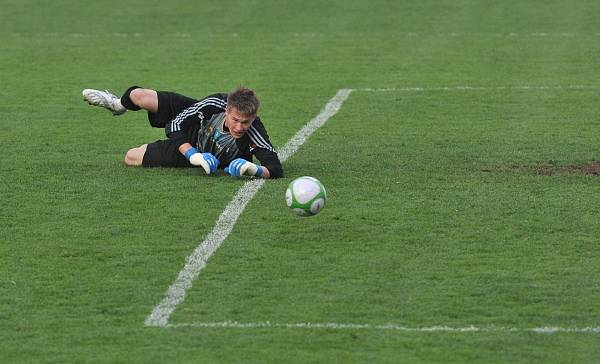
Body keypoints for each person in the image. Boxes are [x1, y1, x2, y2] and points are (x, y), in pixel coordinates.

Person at [82, 86, 283, 179]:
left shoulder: (255, 130)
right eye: (235, 120)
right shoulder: (214, 104)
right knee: (138, 96)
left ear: (254, 117)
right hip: (192, 135)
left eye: (245, 122)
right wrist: (192, 155)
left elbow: (274, 168)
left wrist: (252, 169)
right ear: (227, 110)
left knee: (130, 157)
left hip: (203, 154)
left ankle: (193, 155)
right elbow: (175, 124)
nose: (240, 127)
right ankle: (117, 105)